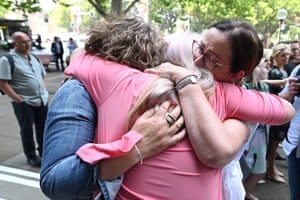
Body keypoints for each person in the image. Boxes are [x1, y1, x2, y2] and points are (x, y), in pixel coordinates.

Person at [40, 19, 294, 199]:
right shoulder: (224, 94)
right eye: (199, 48)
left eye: (211, 59)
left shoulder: (112, 78)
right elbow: (284, 110)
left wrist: (189, 86)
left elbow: (79, 59)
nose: (198, 61)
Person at [0, 31, 48, 167]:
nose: (27, 44)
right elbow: (3, 83)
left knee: (43, 128)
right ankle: (31, 156)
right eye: (23, 42)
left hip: (41, 100)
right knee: (27, 129)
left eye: (28, 41)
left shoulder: (34, 58)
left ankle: (44, 152)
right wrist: (18, 99)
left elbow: (42, 76)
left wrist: (43, 90)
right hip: (24, 102)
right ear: (15, 43)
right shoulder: (7, 60)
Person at [241, 66, 270, 200]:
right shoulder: (248, 89)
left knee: (257, 169)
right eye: (264, 66)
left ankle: (245, 192)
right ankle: (243, 192)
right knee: (252, 168)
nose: (267, 68)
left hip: (261, 134)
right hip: (252, 137)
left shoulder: (263, 86)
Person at [266, 43, 290, 184]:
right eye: (283, 55)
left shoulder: (283, 71)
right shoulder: (274, 73)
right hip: (276, 111)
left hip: (281, 110)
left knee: (275, 142)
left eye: (288, 55)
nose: (286, 58)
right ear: (275, 56)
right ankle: (270, 169)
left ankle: (271, 168)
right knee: (273, 143)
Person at [280, 65, 300, 200]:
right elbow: (282, 98)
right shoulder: (298, 70)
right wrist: (289, 94)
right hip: (296, 142)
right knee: (297, 193)